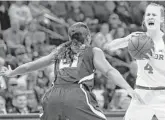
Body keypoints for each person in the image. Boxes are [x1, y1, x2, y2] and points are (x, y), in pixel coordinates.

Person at [0, 22, 142, 120]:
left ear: (69, 38)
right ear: (88, 38)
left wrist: (11, 73)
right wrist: (129, 89)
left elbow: (30, 66)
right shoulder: (93, 51)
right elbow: (110, 71)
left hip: (52, 96)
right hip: (76, 94)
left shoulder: (60, 50)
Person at [104, 2, 165, 120]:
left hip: (164, 95)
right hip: (142, 94)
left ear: (161, 19)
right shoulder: (138, 38)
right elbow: (108, 47)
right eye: (148, 14)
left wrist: (152, 59)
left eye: (154, 15)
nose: (150, 17)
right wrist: (125, 40)